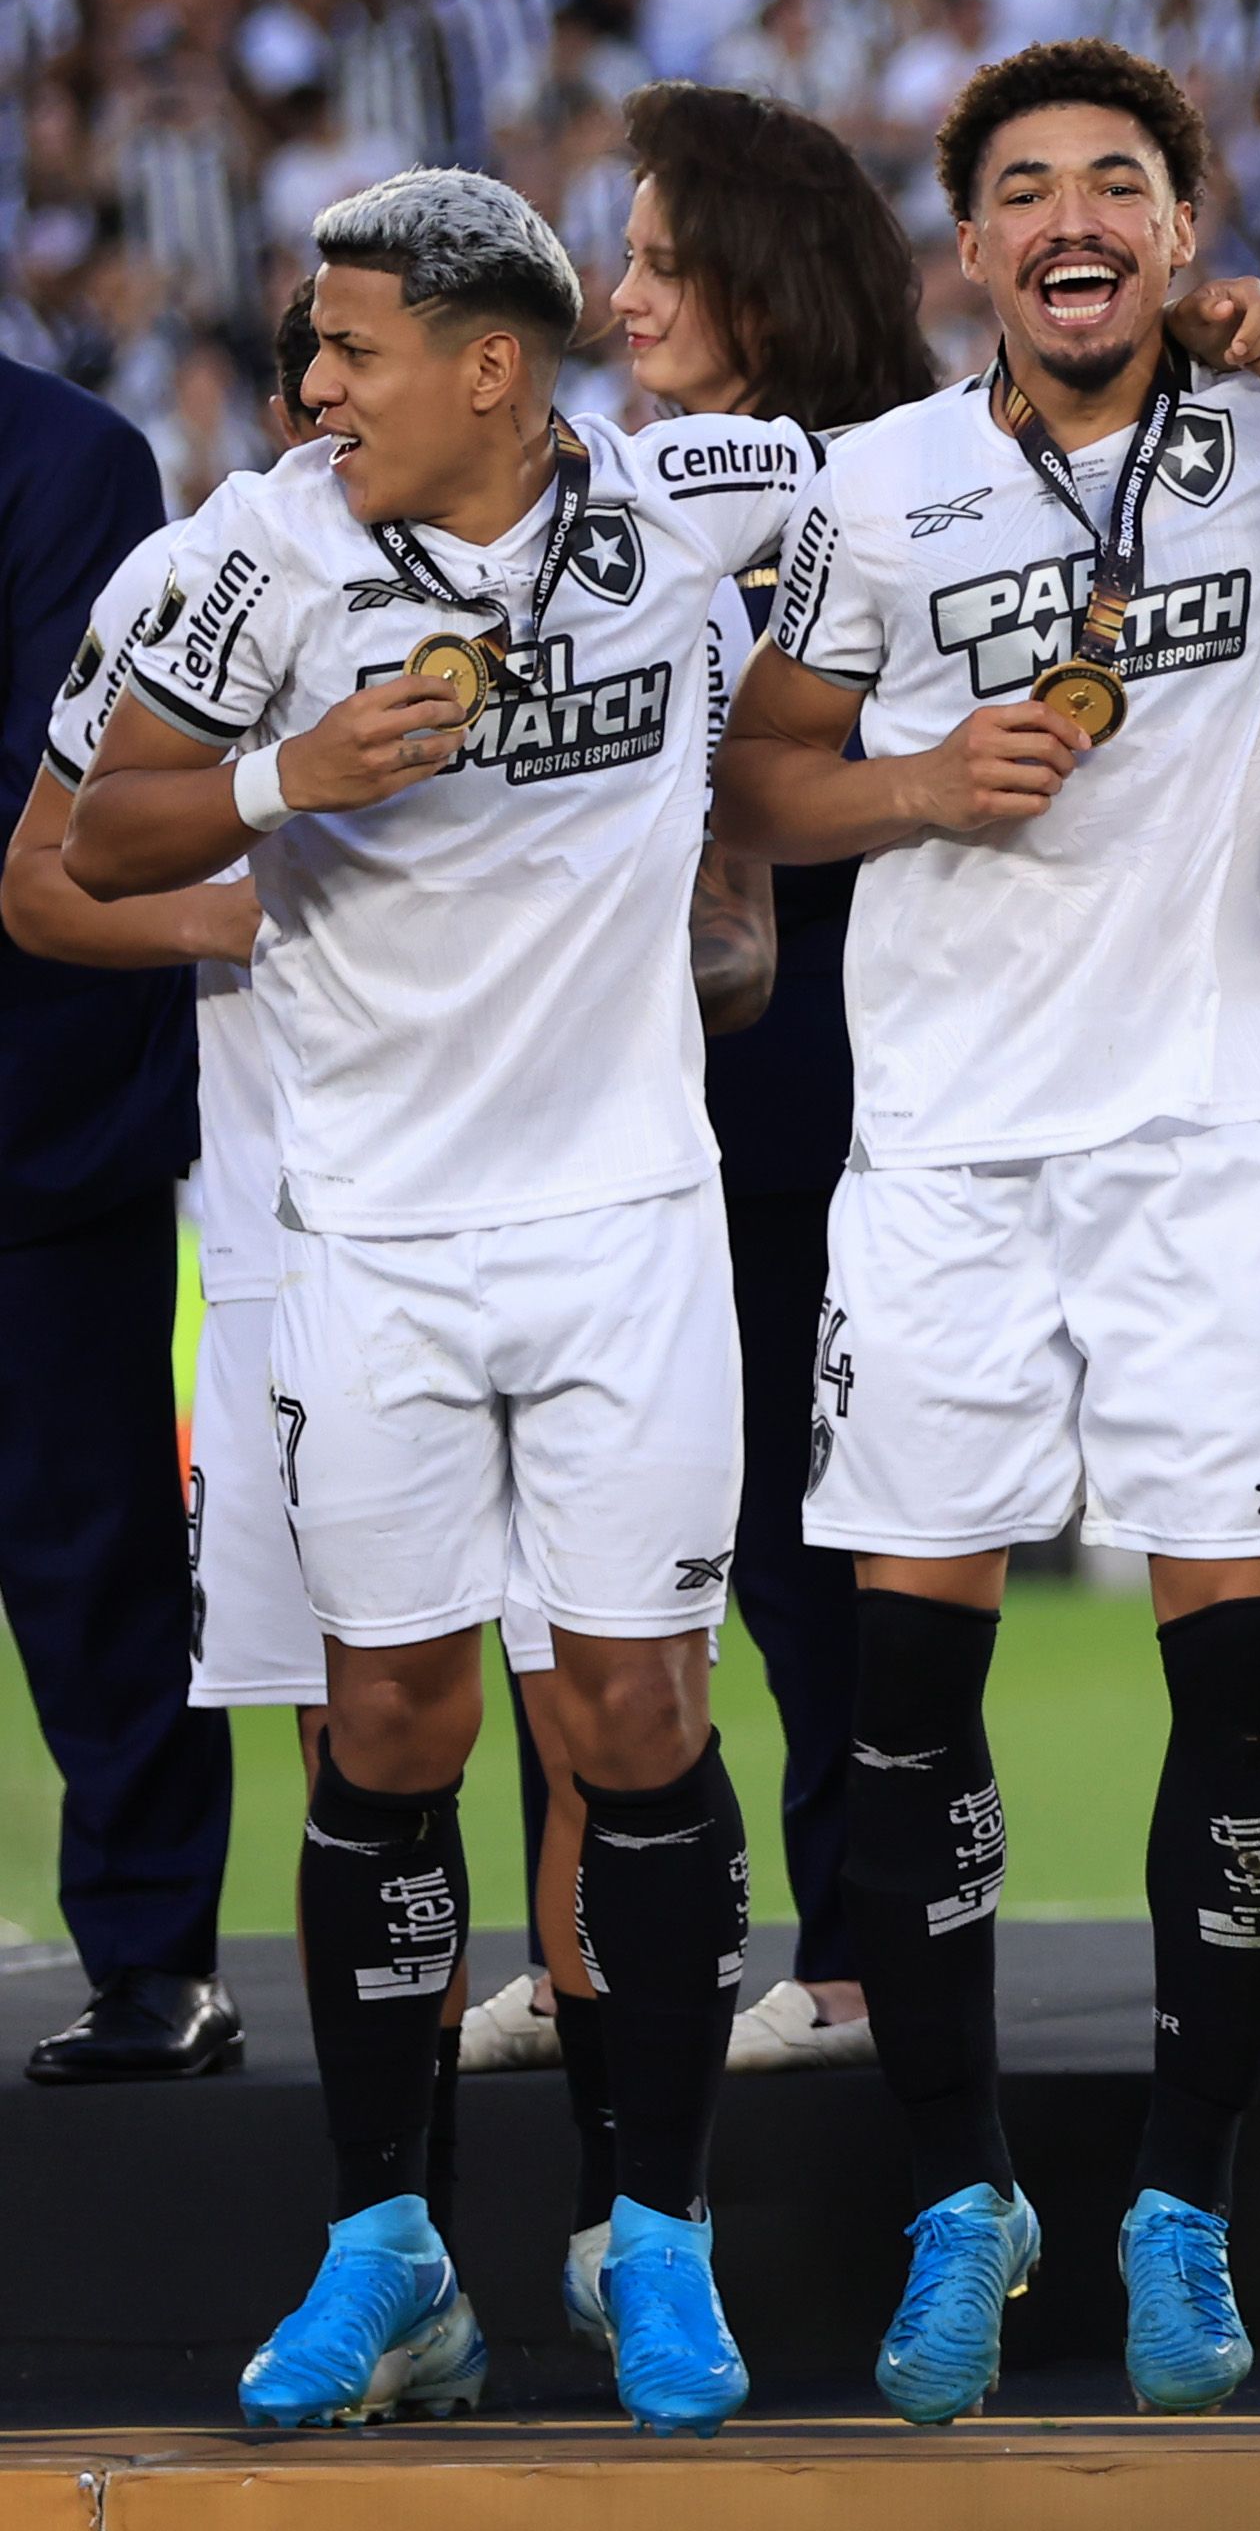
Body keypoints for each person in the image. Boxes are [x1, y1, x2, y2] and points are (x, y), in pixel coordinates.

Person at [72, 169, 819, 2436]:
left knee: (636, 1718)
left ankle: (655, 2235)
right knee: (390, 1725)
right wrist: (289, 777)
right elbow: (99, 843)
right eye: (313, 344)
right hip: (368, 1243)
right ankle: (388, 2250)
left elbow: (957, 442)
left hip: (625, 1230)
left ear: (494, 366)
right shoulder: (252, 560)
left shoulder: (697, 517)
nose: (312, 383)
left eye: (352, 347)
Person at [711, 39, 1260, 2423]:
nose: (1074, 219)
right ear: (973, 246)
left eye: (1121, 181)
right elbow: (762, 774)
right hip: (943, 1159)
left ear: (1189, 229)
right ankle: (960, 2193)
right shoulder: (880, 483)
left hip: (1207, 1142)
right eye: (1027, 189)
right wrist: (920, 780)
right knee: (909, 1699)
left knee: (1241, 1690)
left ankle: (1184, 2201)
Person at [603, 80, 946, 2084]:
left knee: (821, 1517)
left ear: (765, 278)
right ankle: (653, 1943)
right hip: (652, 1056)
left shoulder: (871, 491)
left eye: (664, 261)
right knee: (691, 1524)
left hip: (819, 1044)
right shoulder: (649, 499)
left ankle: (865, 1947)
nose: (624, 295)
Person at [0, 342, 228, 2093]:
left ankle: (155, 1960)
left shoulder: (68, 459)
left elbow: (60, 799)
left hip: (36, 1107)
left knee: (91, 1556)